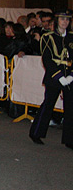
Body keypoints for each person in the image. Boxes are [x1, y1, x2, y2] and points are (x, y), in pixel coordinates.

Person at [29, 10, 73, 149]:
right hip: (55, 76)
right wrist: (59, 76)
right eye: (62, 19)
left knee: (70, 108)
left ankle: (69, 139)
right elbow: (47, 59)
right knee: (48, 104)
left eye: (67, 20)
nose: (65, 22)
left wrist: (71, 75)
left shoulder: (72, 37)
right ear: (57, 21)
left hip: (70, 76)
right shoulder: (48, 37)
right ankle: (36, 133)